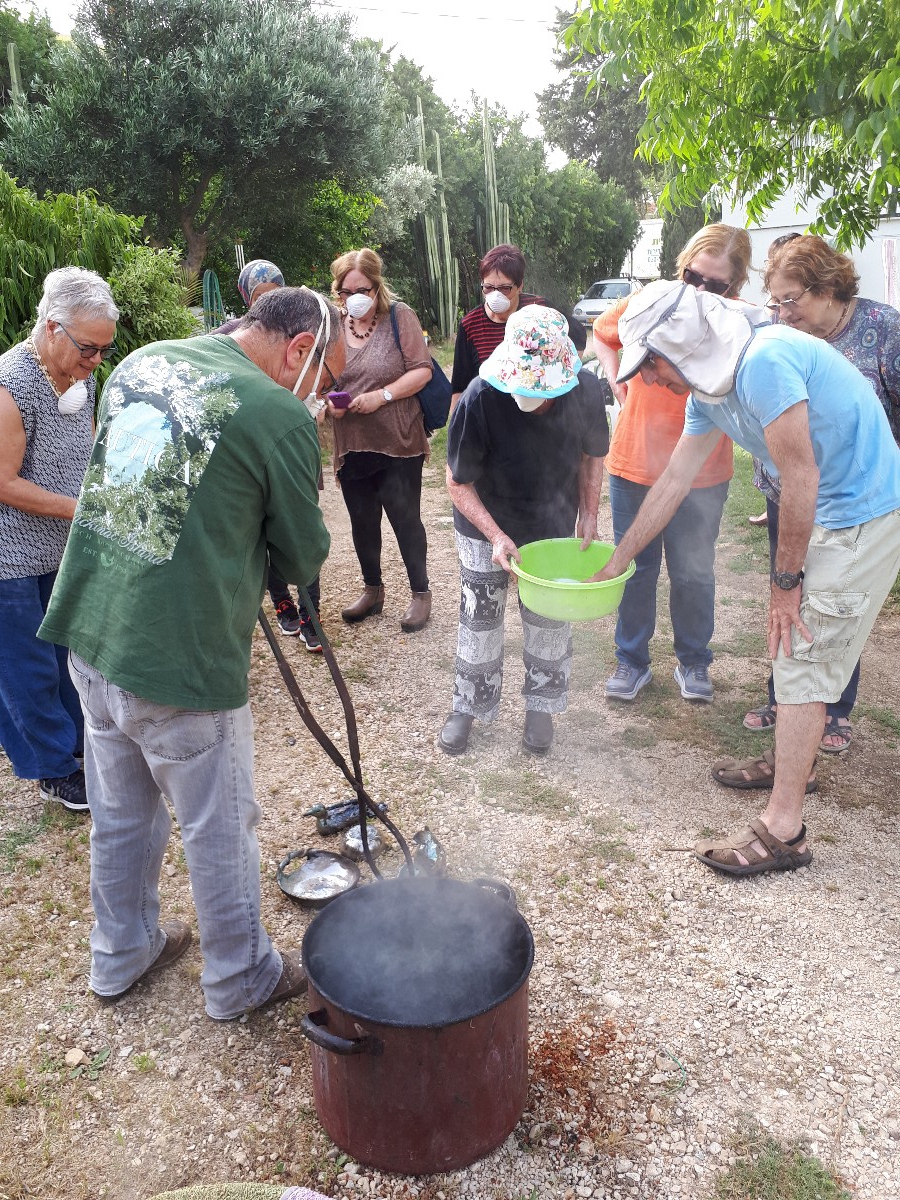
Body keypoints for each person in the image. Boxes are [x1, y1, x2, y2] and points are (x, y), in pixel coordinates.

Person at [38, 287, 340, 1017]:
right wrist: (305, 440)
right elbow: (302, 554)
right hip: (176, 659)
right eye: (320, 372)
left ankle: (120, 953)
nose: (316, 387)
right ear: (299, 350)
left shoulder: (144, 361)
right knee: (217, 821)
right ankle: (239, 977)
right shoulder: (279, 414)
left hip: (92, 628)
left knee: (121, 811)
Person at [593, 279, 900, 876]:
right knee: (795, 652)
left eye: (650, 363)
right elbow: (675, 482)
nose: (647, 378)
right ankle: (797, 764)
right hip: (823, 503)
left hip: (861, 508)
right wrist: (620, 557)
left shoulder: (763, 361)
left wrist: (785, 584)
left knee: (804, 657)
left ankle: (785, 830)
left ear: (680, 346)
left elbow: (800, 475)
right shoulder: (705, 388)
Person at [741, 233, 900, 755]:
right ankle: (782, 699)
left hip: (857, 502)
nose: (783, 313)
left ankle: (834, 709)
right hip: (790, 496)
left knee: (835, 603)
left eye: (793, 299)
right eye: (776, 300)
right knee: (786, 598)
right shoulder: (780, 334)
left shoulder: (883, 331)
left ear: (829, 288)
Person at [593, 224, 753, 703]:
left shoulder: (739, 320)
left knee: (693, 571)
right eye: (692, 276)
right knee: (635, 569)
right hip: (634, 461)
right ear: (681, 266)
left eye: (714, 284)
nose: (700, 291)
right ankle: (631, 661)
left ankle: (694, 662)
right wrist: (616, 382)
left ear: (737, 286)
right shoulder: (652, 299)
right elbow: (603, 334)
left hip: (701, 472)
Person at [440, 305, 608, 757]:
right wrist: (495, 535)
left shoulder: (587, 390)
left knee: (549, 616)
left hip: (550, 521)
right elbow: (457, 483)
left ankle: (541, 706)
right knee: (480, 617)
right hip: (484, 521)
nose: (526, 396)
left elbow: (593, 455)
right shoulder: (480, 396)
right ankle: (468, 707)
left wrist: (589, 513)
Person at [0, 266, 119, 815]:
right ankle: (52, 770)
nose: (95, 362)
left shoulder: (81, 373)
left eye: (102, 351)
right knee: (26, 664)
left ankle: (77, 743)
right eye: (88, 349)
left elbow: (87, 440)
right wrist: (83, 509)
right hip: (12, 555)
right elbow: (4, 483)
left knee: (70, 651)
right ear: (52, 328)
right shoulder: (10, 384)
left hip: (61, 543)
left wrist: (107, 483)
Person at [215, 260, 324, 648]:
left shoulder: (310, 328)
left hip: (294, 444)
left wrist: (317, 403)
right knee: (267, 530)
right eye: (262, 295)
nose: (273, 297)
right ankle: (281, 604)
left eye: (277, 288)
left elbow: (316, 381)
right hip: (255, 454)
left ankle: (312, 612)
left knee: (299, 520)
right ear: (249, 300)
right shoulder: (228, 339)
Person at [326, 248, 434, 633]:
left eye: (362, 289)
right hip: (352, 441)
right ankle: (373, 590)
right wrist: (329, 404)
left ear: (376, 287)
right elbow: (322, 379)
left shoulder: (399, 317)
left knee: (405, 519)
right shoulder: (332, 325)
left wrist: (383, 395)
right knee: (362, 521)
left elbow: (421, 371)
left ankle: (421, 593)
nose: (353, 297)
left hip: (397, 440)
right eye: (345, 290)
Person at [450, 243, 544, 412]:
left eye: (504, 288)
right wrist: (457, 427)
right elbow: (459, 387)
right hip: (489, 418)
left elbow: (576, 339)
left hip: (535, 418)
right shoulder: (470, 325)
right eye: (488, 287)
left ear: (520, 285)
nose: (495, 295)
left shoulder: (539, 310)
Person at [213, 258, 285, 336]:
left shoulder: (292, 328)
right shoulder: (234, 329)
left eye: (274, 297)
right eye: (260, 299)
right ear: (248, 299)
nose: (268, 304)